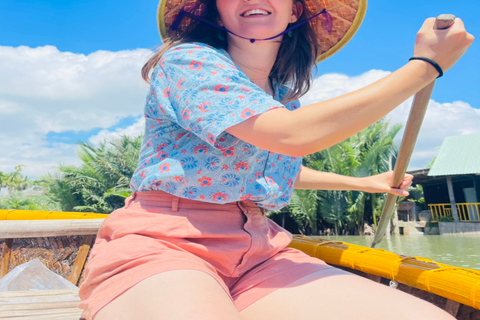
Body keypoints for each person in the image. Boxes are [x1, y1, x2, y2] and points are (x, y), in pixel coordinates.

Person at [78, 0, 474, 319]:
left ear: (295, 9)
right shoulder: (188, 62)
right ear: (217, 9)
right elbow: (292, 136)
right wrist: (426, 67)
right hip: (166, 242)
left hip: (260, 249)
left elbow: (279, 168)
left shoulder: (283, 97)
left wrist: (365, 183)